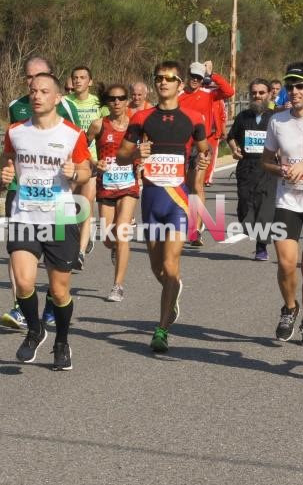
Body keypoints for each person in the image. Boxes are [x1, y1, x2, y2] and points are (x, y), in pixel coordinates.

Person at [0, 72, 91, 371]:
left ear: (56, 98)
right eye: (33, 91)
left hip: (61, 216)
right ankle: (35, 330)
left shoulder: (72, 133)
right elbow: (7, 161)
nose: (37, 96)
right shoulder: (15, 131)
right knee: (24, 282)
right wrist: (5, 177)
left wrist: (75, 173)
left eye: (44, 91)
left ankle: (61, 341)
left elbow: (87, 170)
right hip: (24, 213)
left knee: (60, 290)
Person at [117, 61, 210, 353]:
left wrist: (201, 163)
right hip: (152, 200)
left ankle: (161, 329)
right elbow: (120, 156)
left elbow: (203, 150)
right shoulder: (142, 118)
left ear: (180, 84)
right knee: (157, 267)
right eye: (158, 78)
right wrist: (135, 151)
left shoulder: (193, 118)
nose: (163, 82)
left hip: (178, 201)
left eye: (169, 78)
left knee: (171, 266)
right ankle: (173, 293)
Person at [262, 64, 303, 347]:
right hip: (287, 199)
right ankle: (290, 308)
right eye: (290, 86)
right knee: (287, 264)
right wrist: (281, 170)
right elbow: (265, 161)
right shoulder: (277, 121)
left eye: (300, 86)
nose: (295, 91)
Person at [87, 84, 140, 301]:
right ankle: (114, 248)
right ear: (106, 102)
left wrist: (142, 162)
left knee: (122, 234)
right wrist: (93, 163)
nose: (117, 102)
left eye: (121, 98)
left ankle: (118, 285)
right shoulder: (99, 125)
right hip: (106, 186)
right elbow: (81, 148)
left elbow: (147, 146)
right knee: (108, 238)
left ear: (127, 100)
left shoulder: (137, 124)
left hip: (129, 186)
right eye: (112, 99)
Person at [179, 60, 233, 245]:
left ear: (203, 79)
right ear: (187, 76)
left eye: (199, 77)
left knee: (197, 185)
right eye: (192, 76)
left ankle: (196, 229)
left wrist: (212, 74)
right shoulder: (178, 95)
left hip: (202, 145)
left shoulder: (209, 94)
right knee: (185, 186)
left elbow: (229, 91)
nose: (195, 80)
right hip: (182, 146)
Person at [227, 78, 276, 261]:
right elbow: (231, 137)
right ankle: (253, 231)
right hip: (246, 168)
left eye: (261, 93)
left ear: (269, 94)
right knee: (245, 208)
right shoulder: (243, 116)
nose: (257, 96)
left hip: (268, 169)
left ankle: (261, 247)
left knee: (264, 208)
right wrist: (234, 149)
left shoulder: (275, 117)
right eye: (254, 93)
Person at [64, 65, 106, 269]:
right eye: (75, 77)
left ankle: (79, 253)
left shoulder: (99, 103)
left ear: (90, 81)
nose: (78, 80)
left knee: (86, 204)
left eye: (83, 77)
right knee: (69, 206)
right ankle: (74, 242)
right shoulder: (64, 103)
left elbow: (109, 126)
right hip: (70, 160)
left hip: (93, 160)